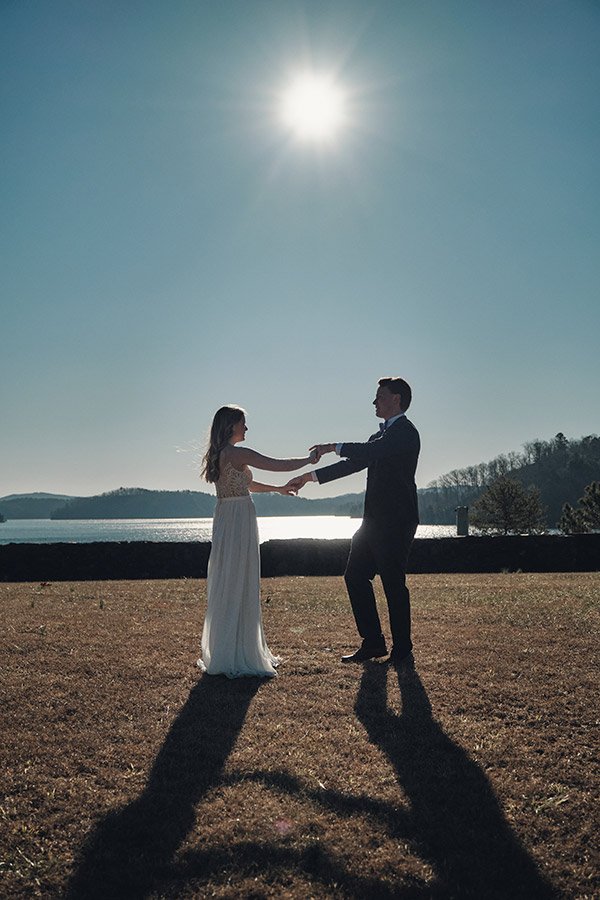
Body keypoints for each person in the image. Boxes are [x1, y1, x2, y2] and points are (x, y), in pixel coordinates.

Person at [288, 377, 420, 668]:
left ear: (396, 399)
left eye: (380, 396)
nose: (374, 402)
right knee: (355, 576)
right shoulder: (378, 438)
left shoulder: (406, 433)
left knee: (393, 583)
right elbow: (354, 463)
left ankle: (402, 648)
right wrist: (309, 478)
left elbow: (370, 453)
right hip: (371, 522)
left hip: (397, 522)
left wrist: (332, 446)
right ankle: (373, 642)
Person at [199, 405, 315, 678]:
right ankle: (237, 650)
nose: (247, 428)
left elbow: (246, 484)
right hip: (238, 517)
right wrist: (309, 461)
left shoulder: (222, 454)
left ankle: (229, 645)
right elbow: (277, 464)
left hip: (227, 515)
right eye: (243, 423)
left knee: (231, 577)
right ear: (231, 426)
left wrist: (277, 489)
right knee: (239, 577)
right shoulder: (237, 453)